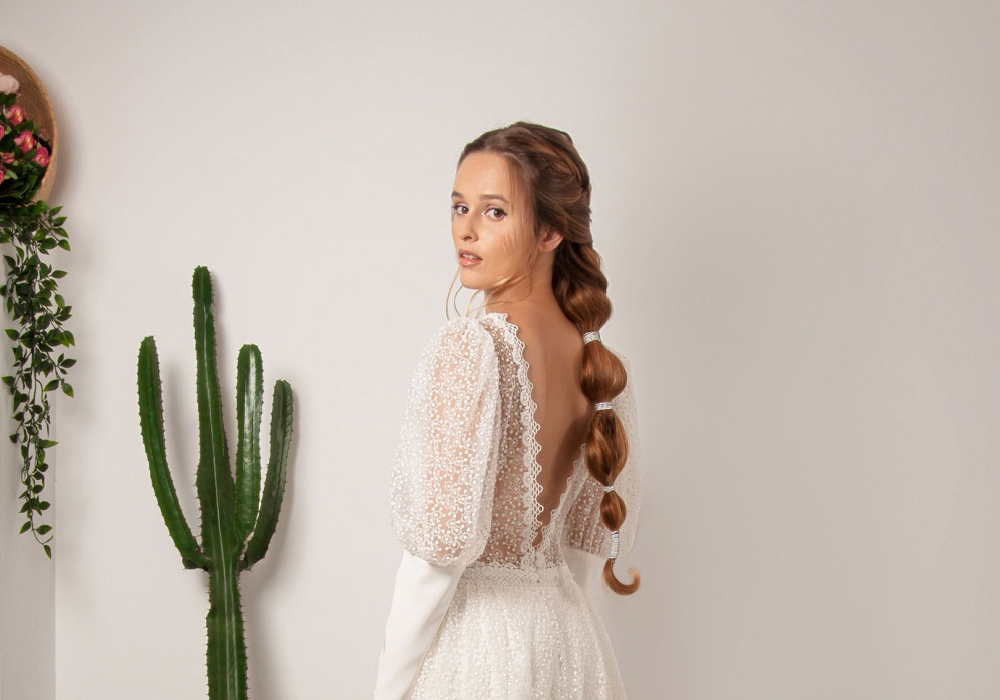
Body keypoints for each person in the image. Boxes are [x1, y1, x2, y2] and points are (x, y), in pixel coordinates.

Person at [373, 121, 643, 699]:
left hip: (482, 649)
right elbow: (578, 552)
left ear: (549, 231)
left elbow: (434, 563)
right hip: (569, 643)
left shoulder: (469, 349)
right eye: (458, 206)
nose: (465, 230)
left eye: (494, 212)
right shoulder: (601, 371)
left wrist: (387, 692)